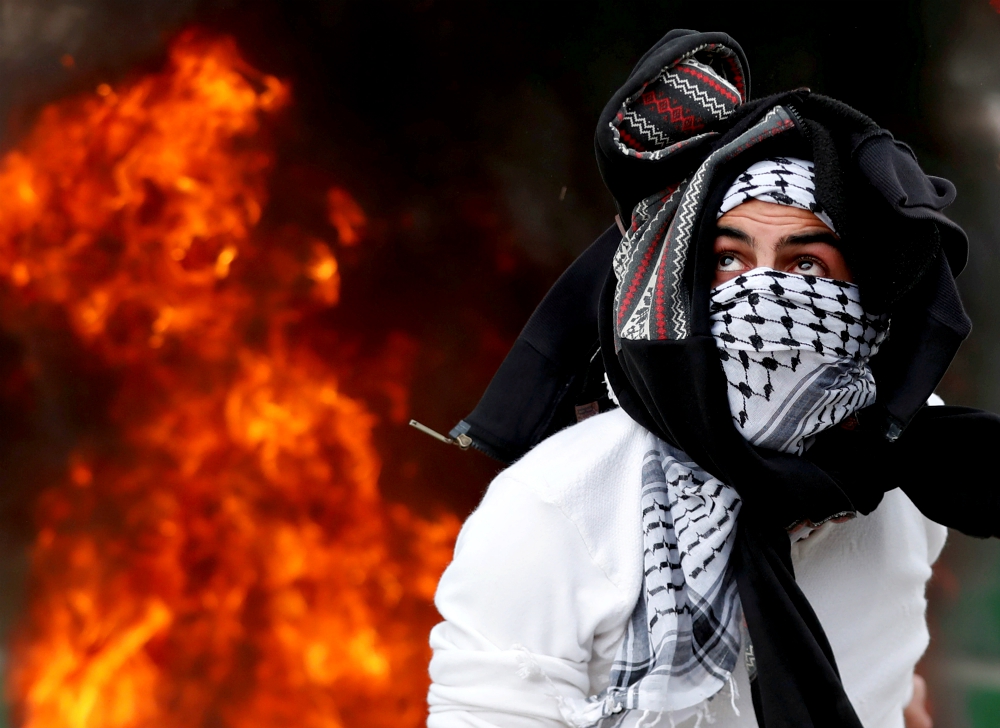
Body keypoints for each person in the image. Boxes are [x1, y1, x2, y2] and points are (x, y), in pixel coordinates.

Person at [427, 30, 1000, 728]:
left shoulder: (909, 462)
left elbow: (882, 667)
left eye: (807, 266)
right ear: (677, 291)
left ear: (872, 297)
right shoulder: (558, 509)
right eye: (728, 262)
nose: (763, 298)